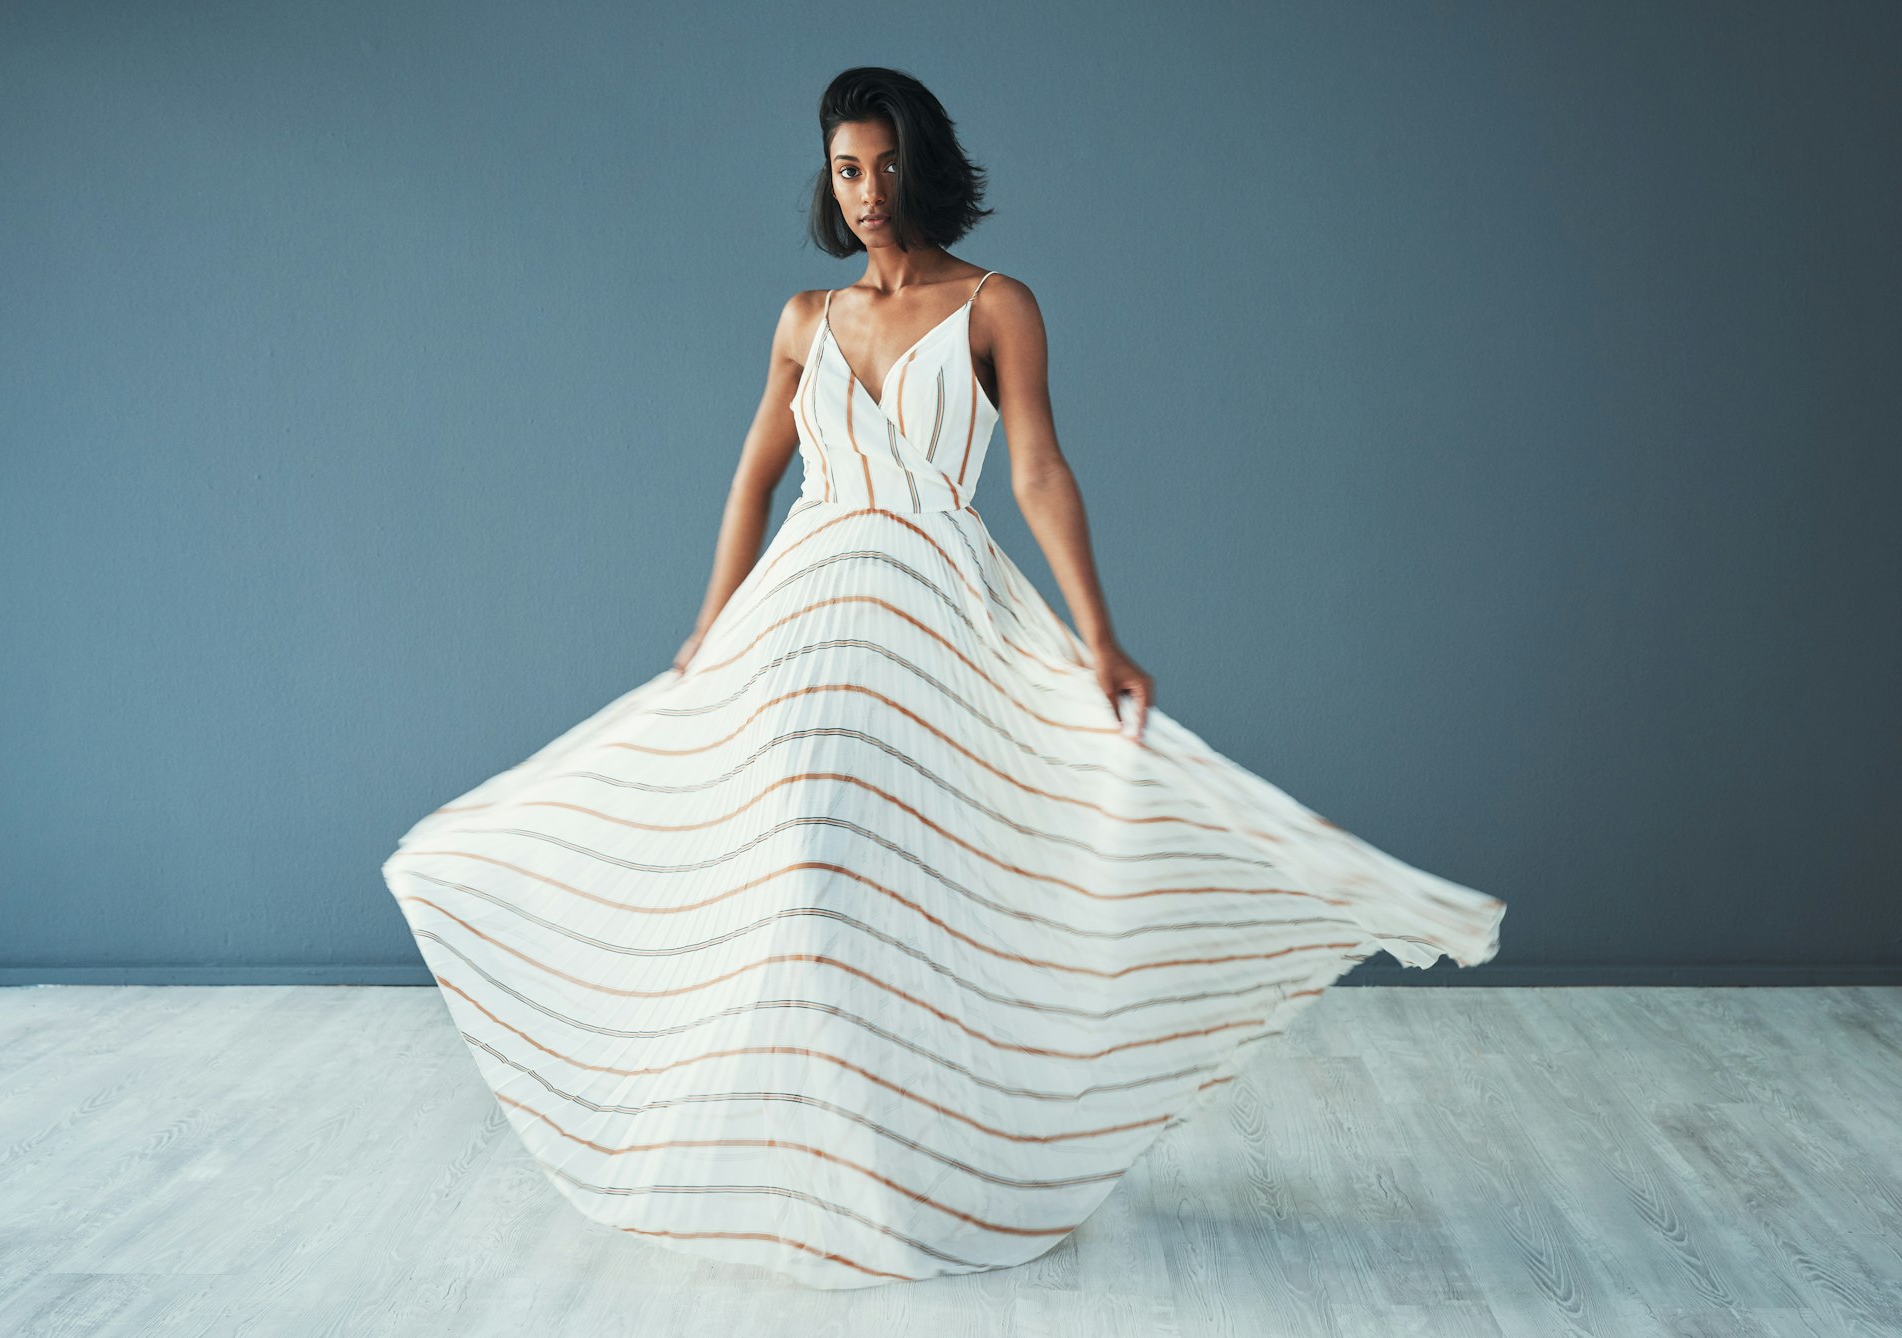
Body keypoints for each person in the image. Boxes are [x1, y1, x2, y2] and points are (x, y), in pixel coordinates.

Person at [382, 65, 1505, 1291]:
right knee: (787, 868)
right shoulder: (803, 320)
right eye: (843, 169)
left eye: (882, 166)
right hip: (802, 609)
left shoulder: (995, 305)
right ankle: (804, 1169)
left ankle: (925, 1172)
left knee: (907, 877)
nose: (864, 193)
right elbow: (755, 479)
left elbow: (1034, 473)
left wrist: (1100, 636)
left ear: (921, 162)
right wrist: (707, 626)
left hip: (924, 606)